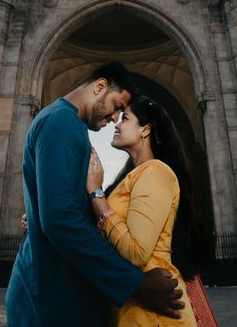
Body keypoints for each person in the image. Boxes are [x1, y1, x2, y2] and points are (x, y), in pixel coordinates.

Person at [6, 62, 184, 326]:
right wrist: (134, 283)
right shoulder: (60, 122)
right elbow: (60, 219)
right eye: (117, 107)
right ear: (100, 86)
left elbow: (60, 208)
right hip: (51, 298)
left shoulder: (67, 123)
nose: (114, 118)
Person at [86, 95, 211, 326]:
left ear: (146, 129)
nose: (117, 123)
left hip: (154, 314)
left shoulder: (155, 172)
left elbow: (136, 252)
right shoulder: (133, 177)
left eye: (125, 118)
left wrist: (96, 193)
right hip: (133, 307)